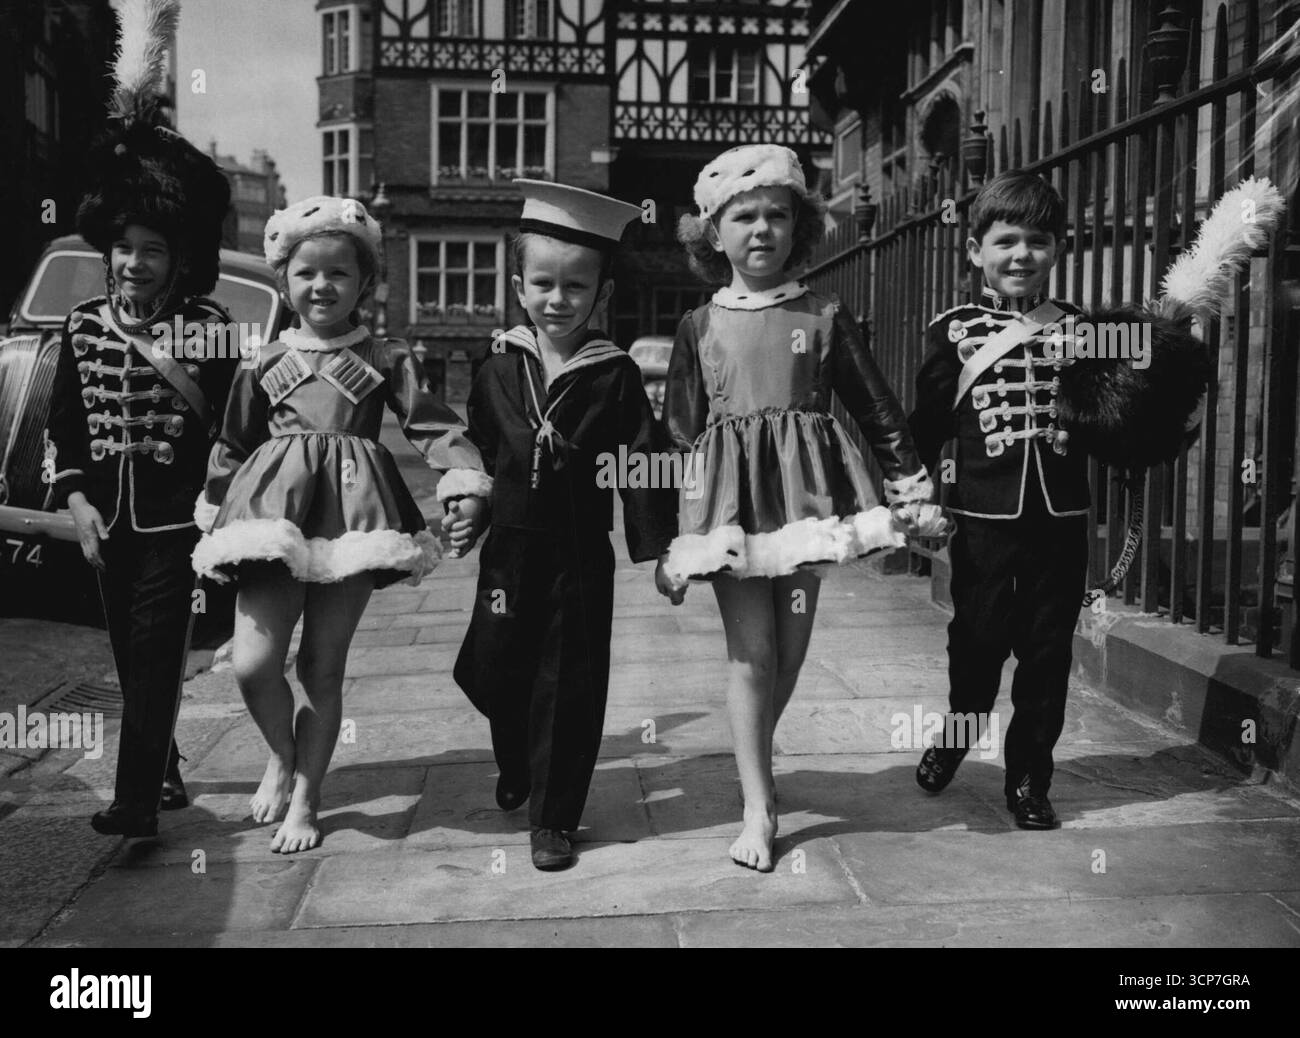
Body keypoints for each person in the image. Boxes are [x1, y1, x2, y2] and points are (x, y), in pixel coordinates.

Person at [661, 144, 944, 871]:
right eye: (743, 216)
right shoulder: (699, 325)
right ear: (712, 233)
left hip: (805, 501)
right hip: (729, 506)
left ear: (799, 227)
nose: (761, 230)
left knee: (789, 650)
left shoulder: (822, 313)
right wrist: (677, 531)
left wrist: (909, 478)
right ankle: (760, 804)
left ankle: (749, 749)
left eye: (777, 216)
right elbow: (683, 431)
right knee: (750, 655)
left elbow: (875, 403)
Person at [192, 195, 490, 853]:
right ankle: (281, 752)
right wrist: (213, 509)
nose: (321, 285)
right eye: (306, 273)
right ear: (284, 280)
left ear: (365, 283)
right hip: (271, 522)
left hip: (354, 522)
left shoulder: (386, 356)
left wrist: (462, 479)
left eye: (338, 273)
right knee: (253, 663)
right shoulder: (263, 361)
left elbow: (433, 426)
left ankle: (307, 797)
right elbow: (233, 445)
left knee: (322, 668)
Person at [45, 0, 235, 838]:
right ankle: (162, 771)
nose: (133, 263)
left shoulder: (209, 329)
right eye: (124, 247)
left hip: (173, 520)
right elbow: (65, 426)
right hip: (106, 522)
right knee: (129, 654)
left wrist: (221, 511)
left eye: (151, 250)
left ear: (179, 258)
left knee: (158, 651)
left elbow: (233, 428)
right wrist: (78, 501)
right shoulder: (82, 324)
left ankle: (134, 801)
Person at [452, 179, 678, 871]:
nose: (558, 299)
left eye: (576, 287)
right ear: (519, 287)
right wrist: (473, 498)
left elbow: (643, 461)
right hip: (509, 554)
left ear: (602, 295)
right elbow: (482, 444)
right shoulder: (497, 367)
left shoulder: (614, 378)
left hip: (581, 556)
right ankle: (517, 756)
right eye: (543, 283)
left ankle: (553, 817)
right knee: (489, 670)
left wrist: (661, 550)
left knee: (568, 684)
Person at [908, 169, 1088, 830]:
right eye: (1006, 240)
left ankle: (1028, 780)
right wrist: (922, 499)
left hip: (1062, 518)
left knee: (1048, 653)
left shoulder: (1079, 328)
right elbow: (925, 426)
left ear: (1058, 248)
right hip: (982, 518)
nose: (1022, 255)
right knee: (977, 645)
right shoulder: (952, 330)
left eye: (1038, 240)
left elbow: (1111, 415)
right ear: (976, 249)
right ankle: (958, 734)